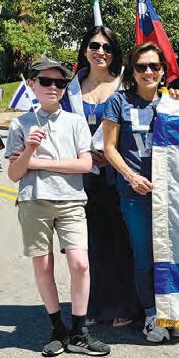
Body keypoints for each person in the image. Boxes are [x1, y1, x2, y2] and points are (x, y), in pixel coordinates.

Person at [6, 57, 111, 357]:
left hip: (71, 200)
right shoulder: (21, 124)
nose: (53, 87)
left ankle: (80, 330)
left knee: (80, 263)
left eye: (60, 82)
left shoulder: (75, 122)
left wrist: (37, 162)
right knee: (43, 265)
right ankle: (57, 328)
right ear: (32, 85)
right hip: (33, 200)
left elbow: (85, 165)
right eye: (45, 81)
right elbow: (14, 174)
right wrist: (29, 149)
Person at [104, 43, 179, 343]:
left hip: (172, 194)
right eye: (141, 67)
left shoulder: (174, 101)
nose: (148, 72)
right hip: (136, 193)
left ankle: (173, 310)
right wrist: (131, 176)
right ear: (132, 71)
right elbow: (109, 147)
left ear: (163, 70)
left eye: (154, 66)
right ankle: (151, 313)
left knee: (174, 254)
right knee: (144, 256)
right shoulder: (119, 101)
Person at [61, 26, 139, 327]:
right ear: (85, 50)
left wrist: (114, 155)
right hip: (81, 177)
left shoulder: (125, 84)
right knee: (88, 242)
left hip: (119, 173)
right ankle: (91, 305)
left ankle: (123, 304)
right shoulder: (70, 90)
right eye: (94, 46)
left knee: (120, 239)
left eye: (107, 47)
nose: (100, 52)